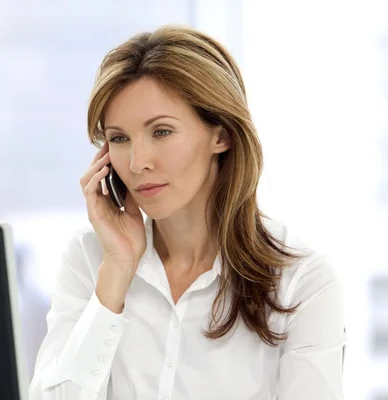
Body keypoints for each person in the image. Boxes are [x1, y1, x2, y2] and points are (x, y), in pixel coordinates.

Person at [28, 24, 346, 399]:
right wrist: (115, 275)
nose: (137, 162)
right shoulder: (91, 258)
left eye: (161, 132)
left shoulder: (301, 282)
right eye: (119, 138)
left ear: (221, 135)